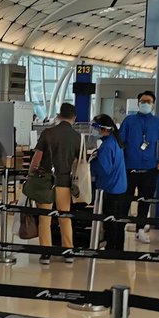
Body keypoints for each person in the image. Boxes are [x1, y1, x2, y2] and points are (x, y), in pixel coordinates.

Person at [29, 102, 83, 265]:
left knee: (45, 218)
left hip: (46, 182)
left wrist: (31, 172)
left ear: (59, 116)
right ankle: (68, 252)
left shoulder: (48, 133)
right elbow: (78, 163)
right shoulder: (78, 137)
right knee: (64, 217)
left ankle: (46, 254)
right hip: (64, 182)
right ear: (74, 118)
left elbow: (37, 157)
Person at [118, 90, 159, 243]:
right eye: (143, 101)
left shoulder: (157, 122)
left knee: (145, 200)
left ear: (153, 104)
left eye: (149, 101)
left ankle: (141, 229)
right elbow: (120, 141)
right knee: (124, 200)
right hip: (129, 167)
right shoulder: (129, 121)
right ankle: (119, 228)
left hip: (149, 168)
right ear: (138, 103)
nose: (145, 104)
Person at [89, 114, 128, 251]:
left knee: (110, 221)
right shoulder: (116, 141)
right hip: (121, 186)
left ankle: (111, 247)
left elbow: (104, 169)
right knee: (118, 221)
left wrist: (91, 163)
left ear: (103, 128)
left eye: (96, 127)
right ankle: (118, 247)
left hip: (110, 188)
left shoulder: (107, 146)